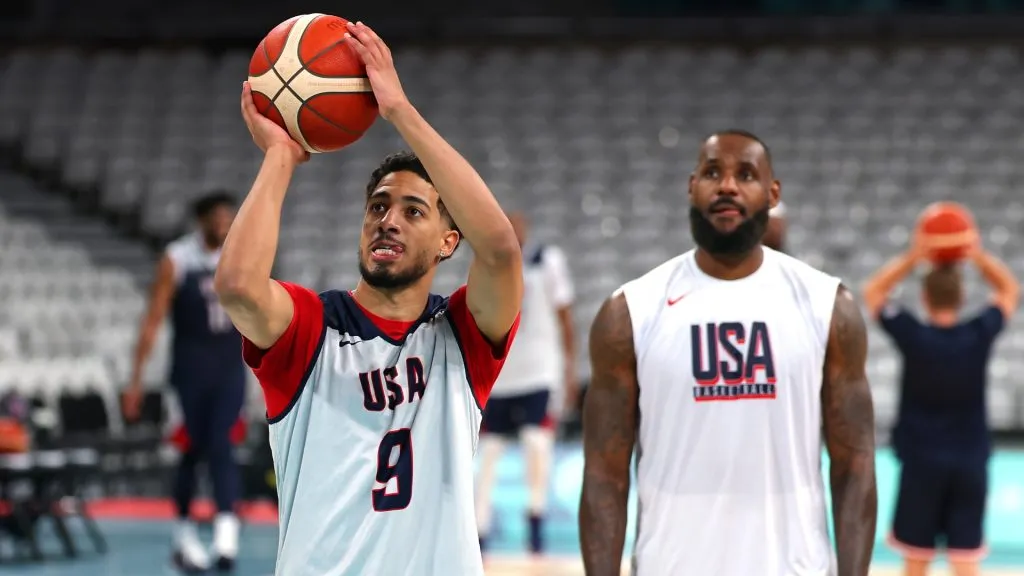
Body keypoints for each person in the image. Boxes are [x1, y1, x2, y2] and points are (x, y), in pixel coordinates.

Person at [216, 21, 522, 576]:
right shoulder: (311, 327)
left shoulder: (463, 339)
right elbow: (237, 286)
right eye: (378, 207)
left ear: (450, 241)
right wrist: (280, 157)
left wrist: (399, 109)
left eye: (413, 211)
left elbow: (501, 249)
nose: (388, 222)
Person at [579, 130, 878, 576]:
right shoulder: (630, 312)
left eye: (746, 174)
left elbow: (854, 467)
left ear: (772, 193)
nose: (727, 186)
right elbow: (605, 475)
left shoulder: (828, 306)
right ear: (691, 186)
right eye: (712, 172)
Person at [862, 231, 1019, 576]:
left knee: (916, 559)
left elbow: (873, 292)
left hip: (921, 462)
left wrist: (913, 256)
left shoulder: (914, 335)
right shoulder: (978, 334)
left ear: (924, 296)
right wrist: (975, 254)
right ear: (962, 297)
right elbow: (1009, 290)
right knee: (966, 561)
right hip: (969, 461)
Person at [123, 192, 246, 573]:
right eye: (217, 217)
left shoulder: (241, 254)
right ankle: (184, 534)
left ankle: (227, 535)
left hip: (229, 369)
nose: (224, 223)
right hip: (189, 373)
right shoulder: (177, 259)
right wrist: (136, 380)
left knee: (223, 447)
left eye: (229, 216)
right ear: (202, 220)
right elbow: (153, 318)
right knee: (190, 452)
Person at [474, 211, 577, 556]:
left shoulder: (547, 260)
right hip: (501, 377)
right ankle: (480, 536)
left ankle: (536, 534)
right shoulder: (489, 265)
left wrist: (569, 369)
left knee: (537, 448)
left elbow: (565, 317)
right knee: (487, 457)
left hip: (539, 373)